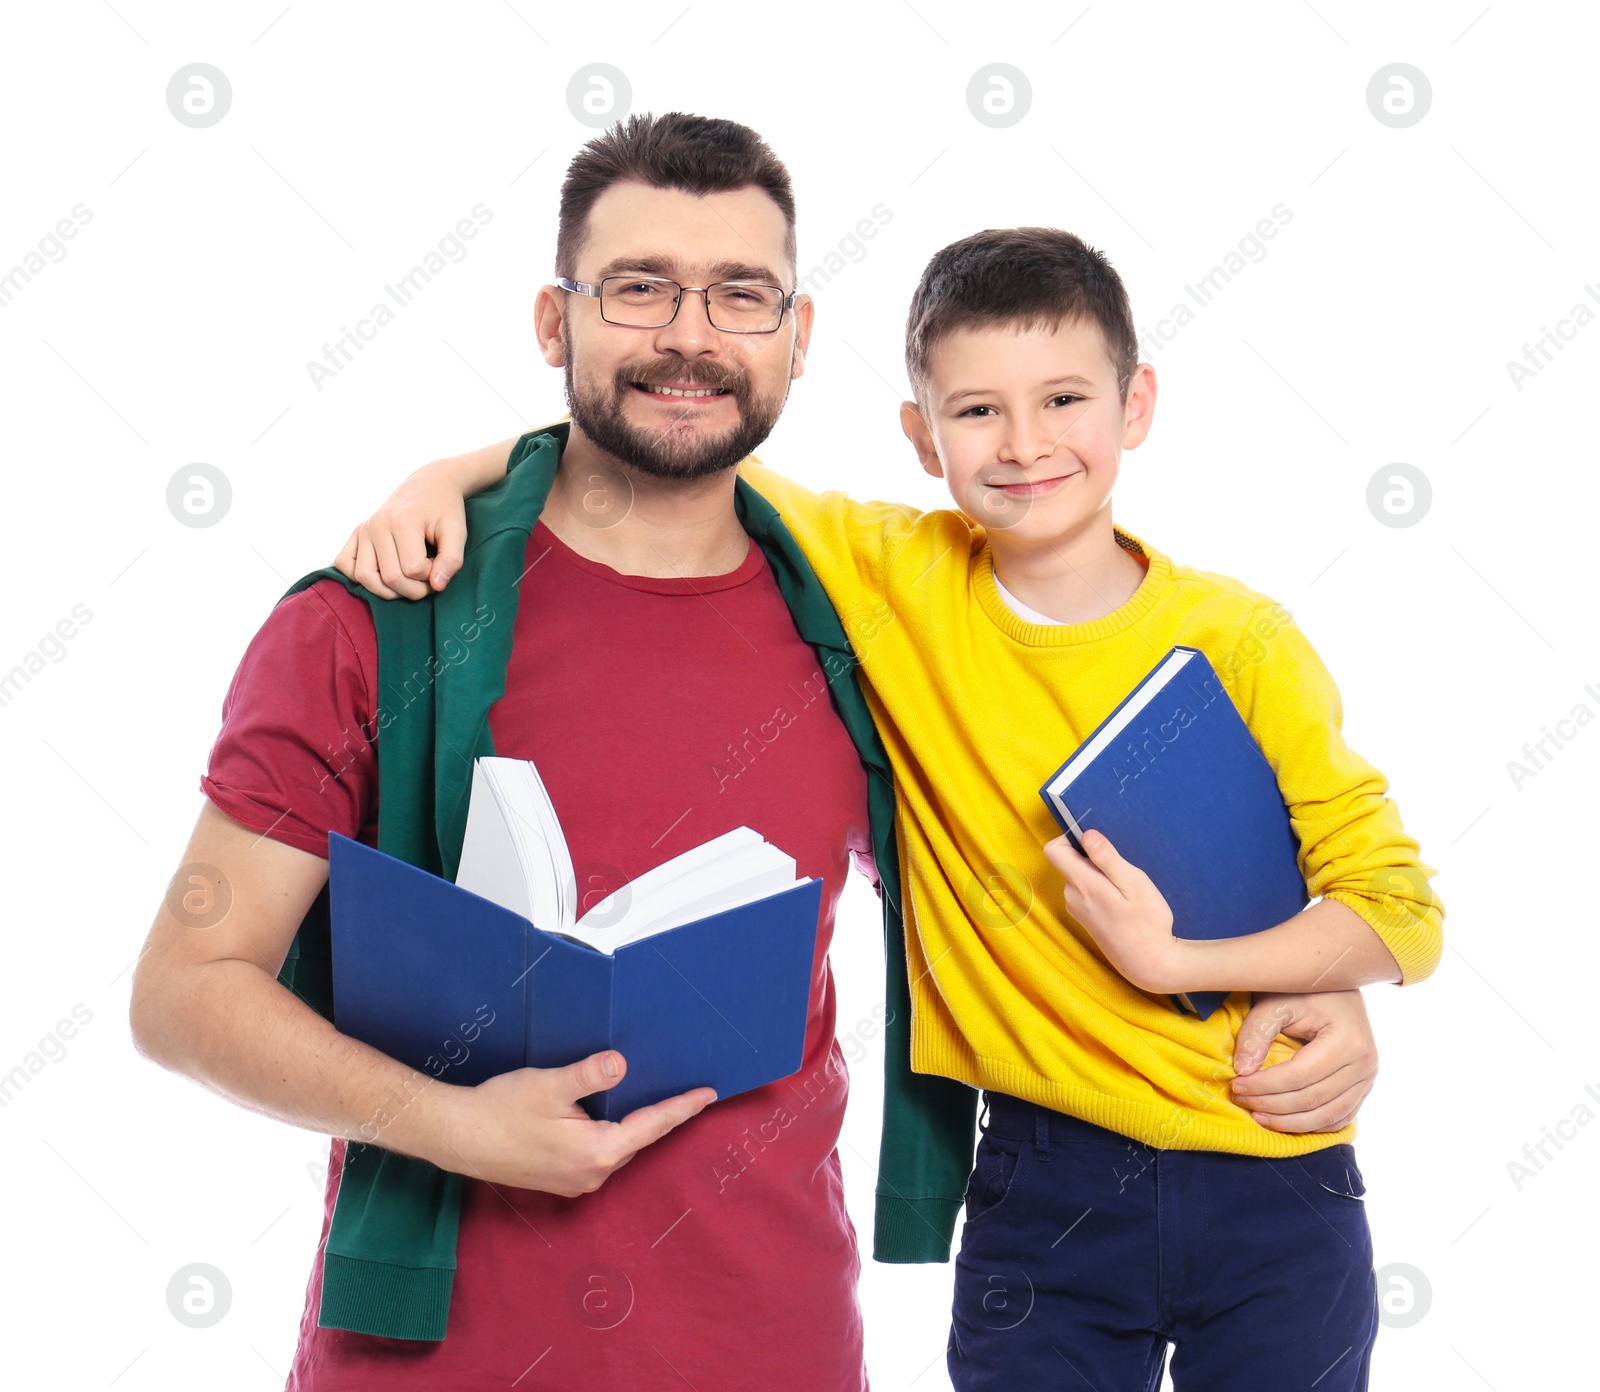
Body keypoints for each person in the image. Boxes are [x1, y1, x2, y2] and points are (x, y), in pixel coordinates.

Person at [130, 112, 1383, 1392]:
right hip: (430, 1360)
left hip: (771, 1347)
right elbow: (183, 992)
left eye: (740, 294)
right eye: (637, 289)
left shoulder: (874, 622)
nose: (690, 333)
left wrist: (1290, 986)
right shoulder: (379, 623)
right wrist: (449, 1125)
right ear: (553, 325)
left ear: (797, 338)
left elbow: (1037, 851)